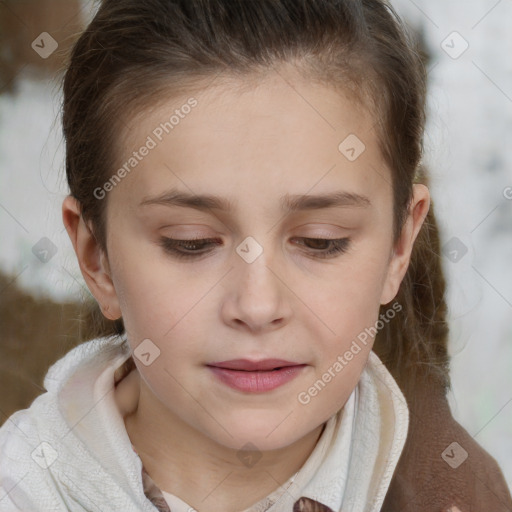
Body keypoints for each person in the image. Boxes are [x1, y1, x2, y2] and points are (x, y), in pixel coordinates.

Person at [1, 0, 511, 510]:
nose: (258, 304)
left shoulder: (461, 495)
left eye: (321, 240)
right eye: (190, 242)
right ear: (97, 258)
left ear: (399, 246)